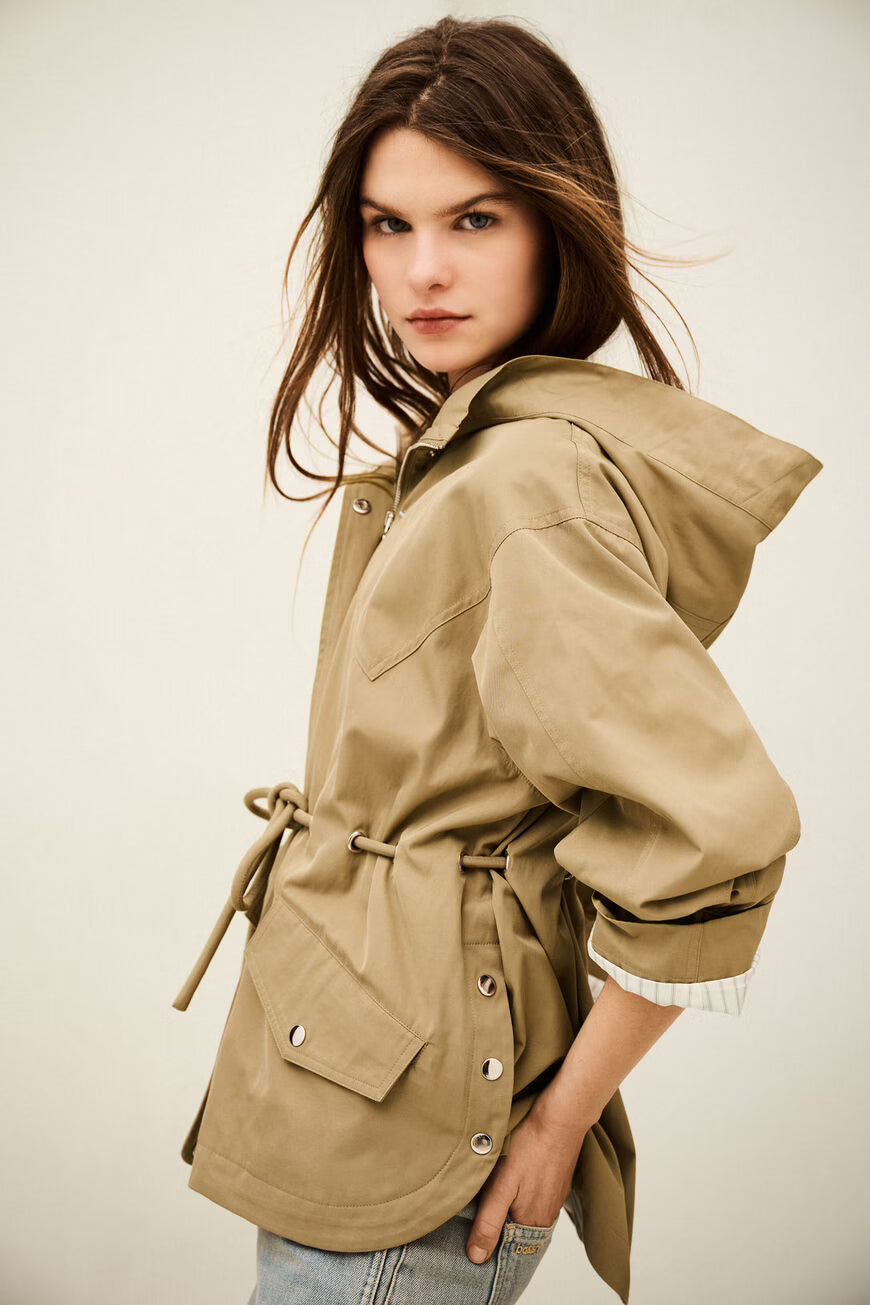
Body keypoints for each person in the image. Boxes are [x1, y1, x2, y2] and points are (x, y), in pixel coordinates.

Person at [171, 16, 823, 1304]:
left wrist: (559, 1122)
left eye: (476, 220)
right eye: (386, 224)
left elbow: (715, 841)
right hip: (347, 1078)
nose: (422, 271)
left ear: (555, 228)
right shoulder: (479, 456)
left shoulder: (525, 479)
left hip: (410, 1139)